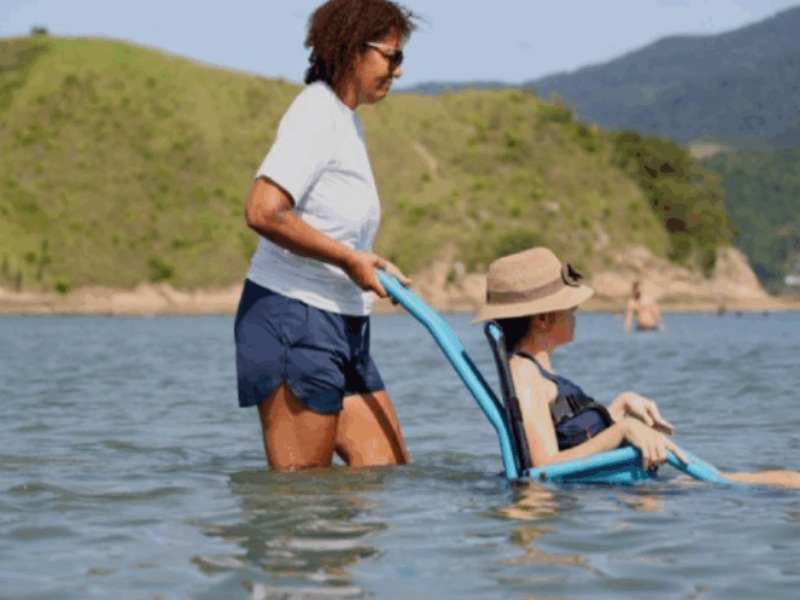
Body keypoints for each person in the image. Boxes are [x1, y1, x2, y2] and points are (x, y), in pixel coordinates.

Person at [234, 0, 418, 471]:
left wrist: (366, 259)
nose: (398, 70)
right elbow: (264, 210)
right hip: (294, 318)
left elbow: (332, 227)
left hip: (346, 325)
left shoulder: (344, 120)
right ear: (352, 50)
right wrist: (348, 260)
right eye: (391, 56)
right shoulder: (316, 113)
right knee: (301, 502)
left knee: (386, 477)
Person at [474, 247, 800, 487]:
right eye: (570, 308)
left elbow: (570, 434)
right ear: (543, 319)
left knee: (785, 481)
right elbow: (543, 466)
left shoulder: (538, 370)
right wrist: (623, 430)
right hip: (630, 492)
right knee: (784, 483)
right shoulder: (525, 373)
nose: (577, 313)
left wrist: (618, 408)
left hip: (635, 484)